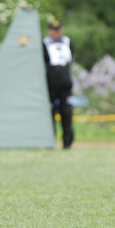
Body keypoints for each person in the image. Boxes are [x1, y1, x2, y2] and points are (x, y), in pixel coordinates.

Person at [43, 20, 74, 148]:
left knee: (66, 113)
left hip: (65, 86)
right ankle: (50, 141)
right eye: (54, 30)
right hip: (51, 85)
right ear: (50, 31)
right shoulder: (45, 43)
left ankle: (67, 142)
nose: (57, 32)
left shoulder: (67, 42)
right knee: (50, 114)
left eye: (59, 30)